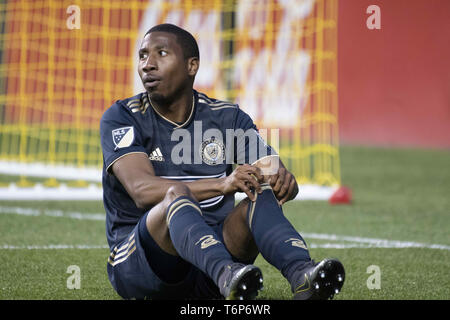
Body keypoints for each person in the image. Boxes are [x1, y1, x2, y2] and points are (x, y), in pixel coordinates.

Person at [100, 23, 345, 300]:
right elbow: (141, 190)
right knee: (176, 195)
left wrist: (282, 180)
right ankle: (226, 273)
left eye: (161, 53)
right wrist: (223, 184)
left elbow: (270, 168)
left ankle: (303, 275)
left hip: (207, 266)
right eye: (143, 56)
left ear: (192, 66)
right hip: (141, 266)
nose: (148, 65)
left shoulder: (227, 118)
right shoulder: (122, 116)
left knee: (259, 192)